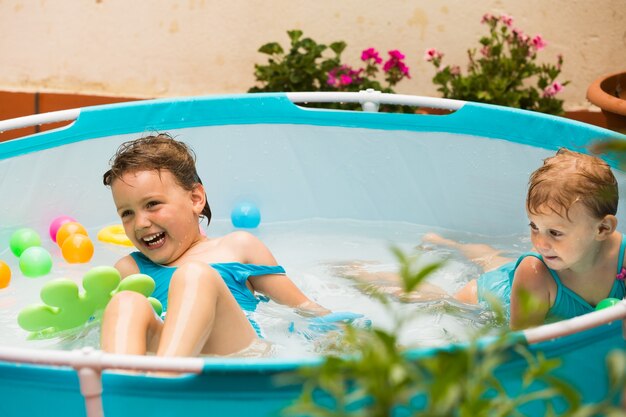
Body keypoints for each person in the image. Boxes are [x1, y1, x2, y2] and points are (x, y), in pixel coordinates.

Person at [100, 133, 336, 358]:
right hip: (167, 354)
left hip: (238, 356)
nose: (140, 223)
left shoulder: (237, 247)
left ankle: (165, 377)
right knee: (126, 303)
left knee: (195, 274)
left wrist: (346, 332)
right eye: (127, 213)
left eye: (152, 204)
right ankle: (123, 388)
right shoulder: (130, 270)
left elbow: (302, 306)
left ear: (195, 199)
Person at [343, 149, 626, 330]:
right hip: (493, 294)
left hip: (513, 275)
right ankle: (359, 272)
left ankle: (449, 244)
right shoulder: (536, 272)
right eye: (534, 227)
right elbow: (523, 347)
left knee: (493, 261)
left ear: (602, 229)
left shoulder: (622, 256)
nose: (539, 242)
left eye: (555, 232)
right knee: (439, 299)